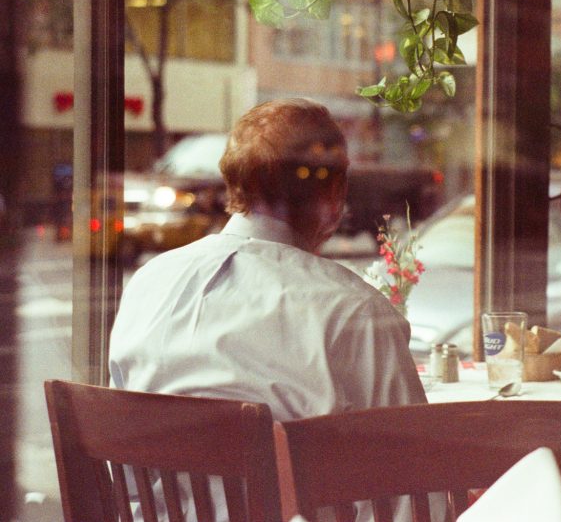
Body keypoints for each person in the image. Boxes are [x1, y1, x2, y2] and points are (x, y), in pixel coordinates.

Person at [109, 99, 426, 519]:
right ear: (333, 194)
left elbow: (124, 472)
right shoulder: (353, 311)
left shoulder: (149, 283)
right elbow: (414, 496)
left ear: (235, 185)